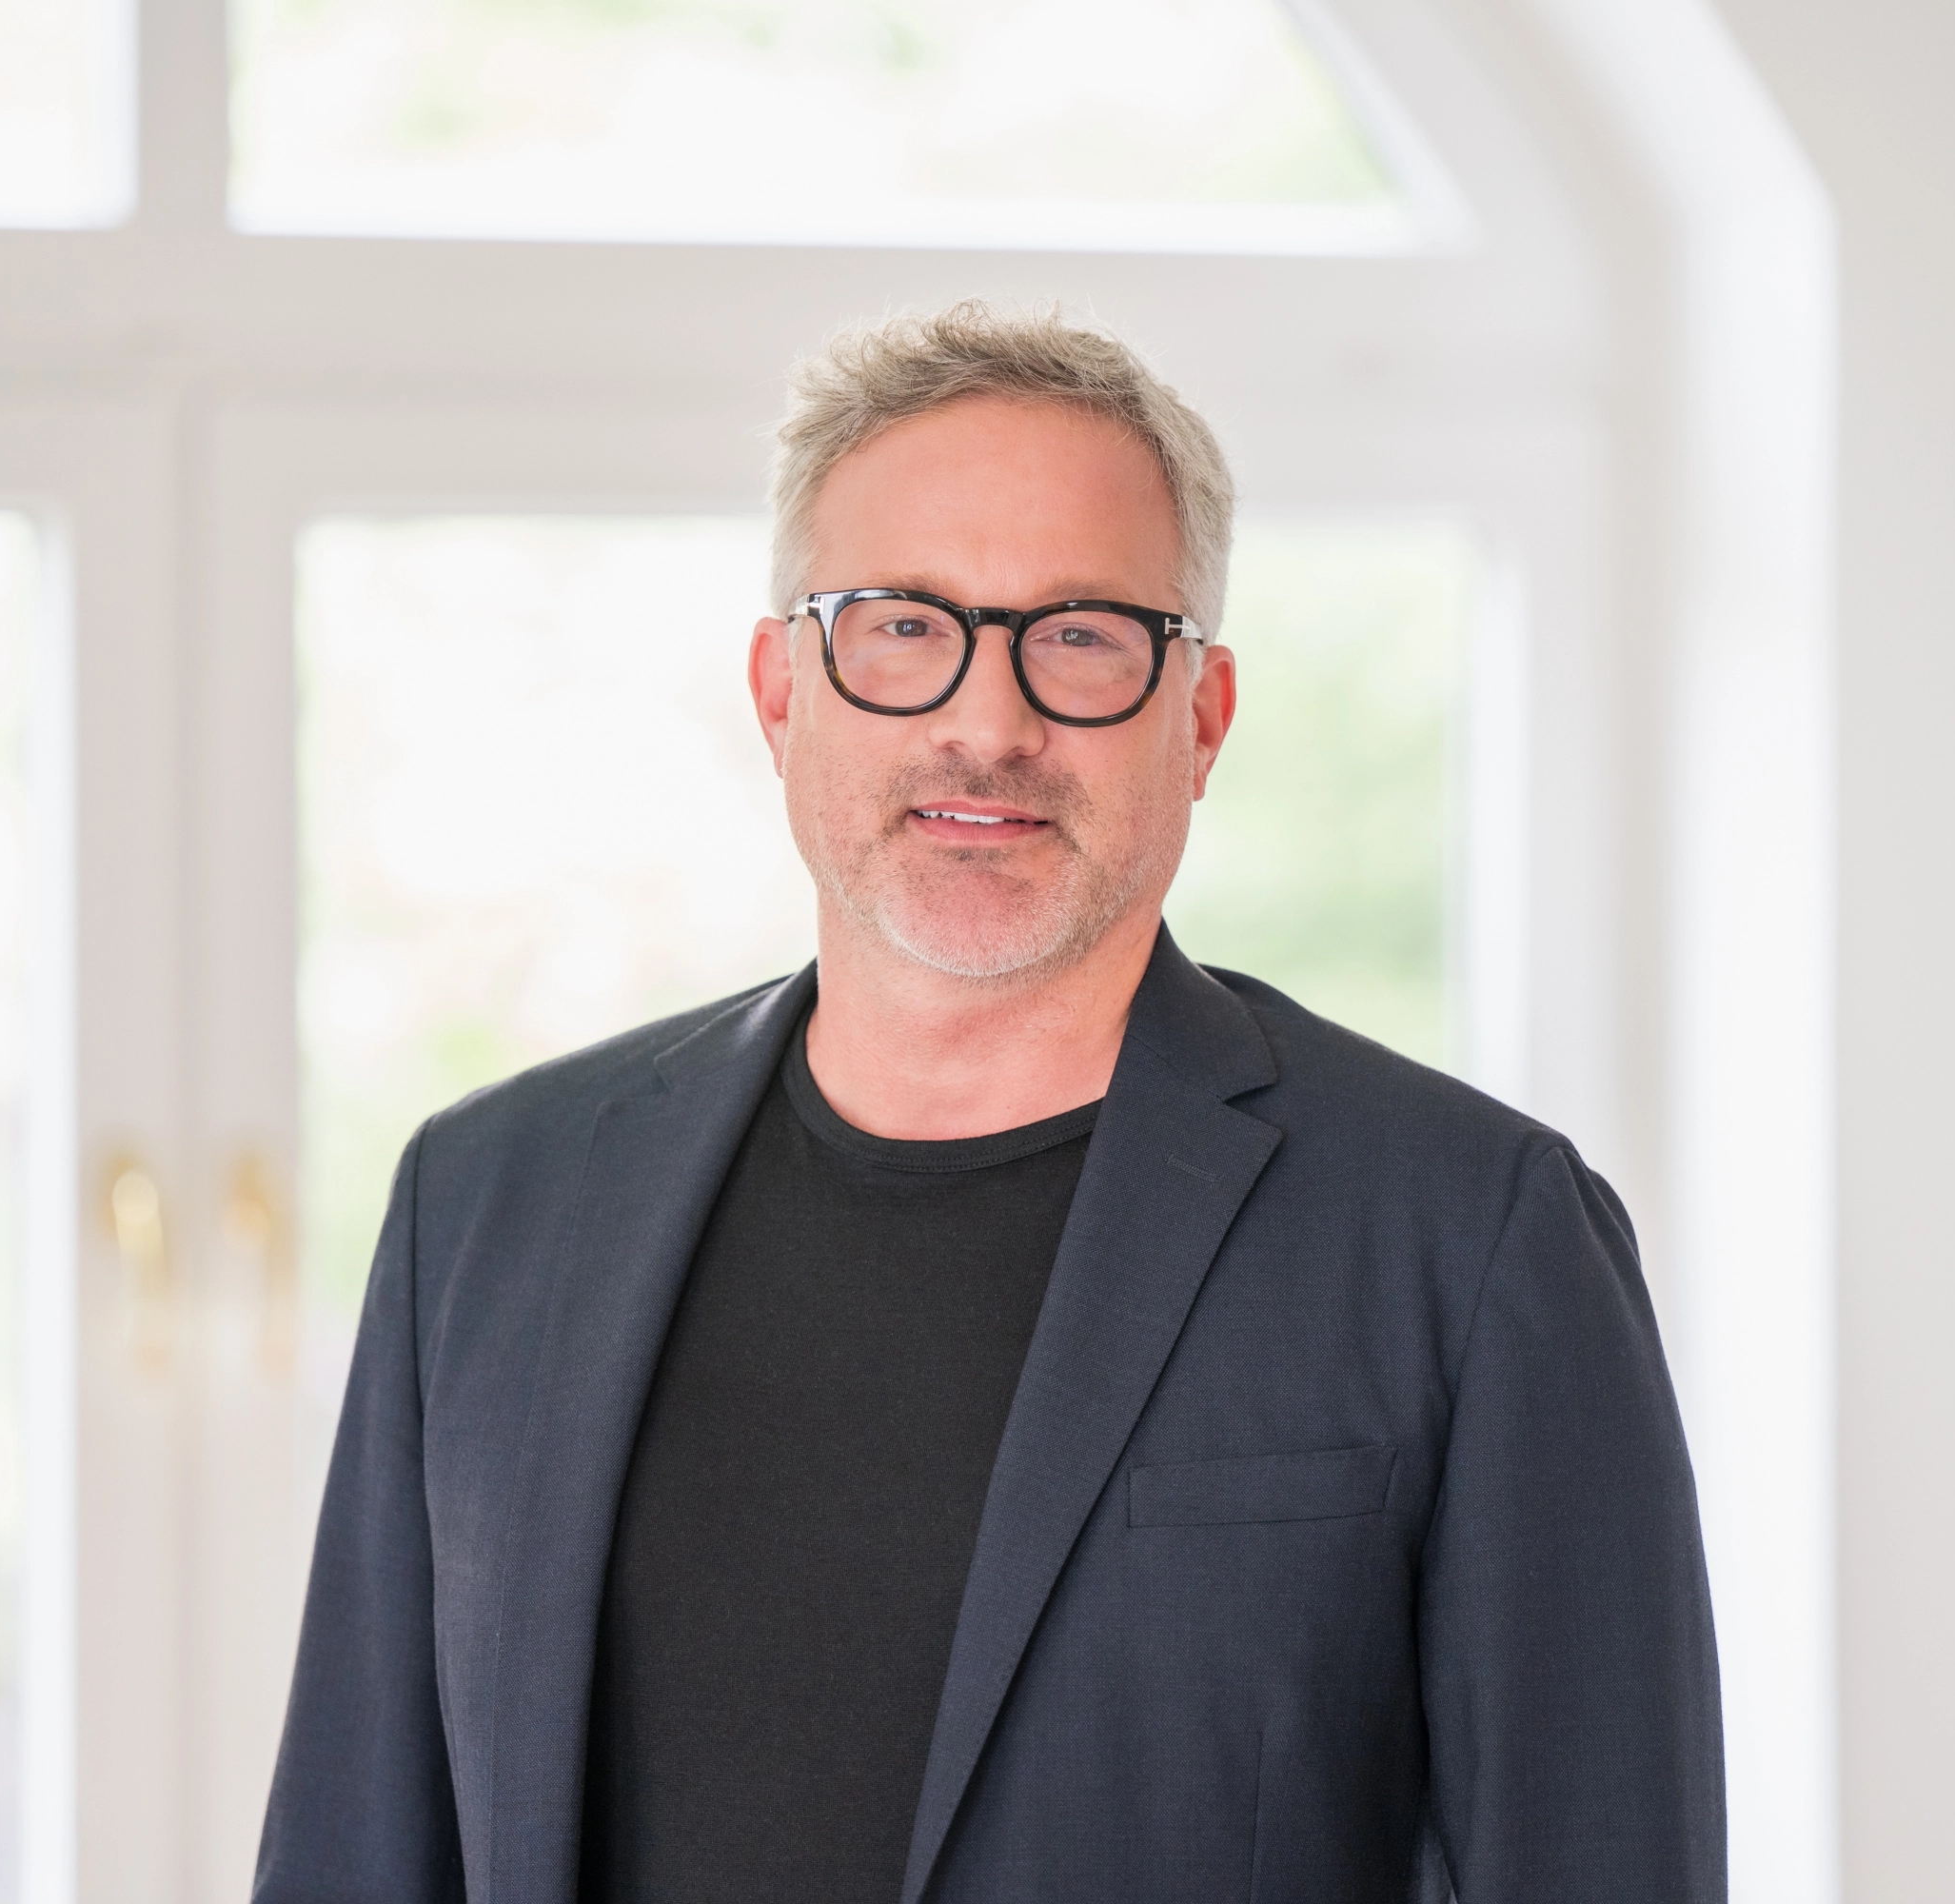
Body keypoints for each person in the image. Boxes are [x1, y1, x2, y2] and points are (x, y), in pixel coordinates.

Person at [254, 302, 1724, 1904]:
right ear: (779, 690)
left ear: (1204, 718)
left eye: (1082, 634)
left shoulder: (1473, 1239)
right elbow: (357, 1848)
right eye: (902, 626)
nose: (987, 721)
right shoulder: (490, 1206)